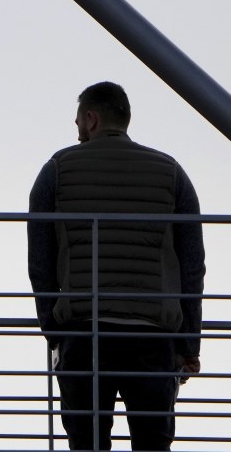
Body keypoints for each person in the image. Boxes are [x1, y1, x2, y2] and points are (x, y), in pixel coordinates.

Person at [27, 82, 205, 451]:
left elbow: (39, 260)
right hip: (152, 337)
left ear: (91, 119)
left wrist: (52, 329)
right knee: (153, 443)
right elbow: (192, 264)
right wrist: (188, 342)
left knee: (88, 443)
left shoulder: (57, 170)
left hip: (84, 334)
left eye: (78, 122)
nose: (76, 133)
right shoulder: (171, 173)